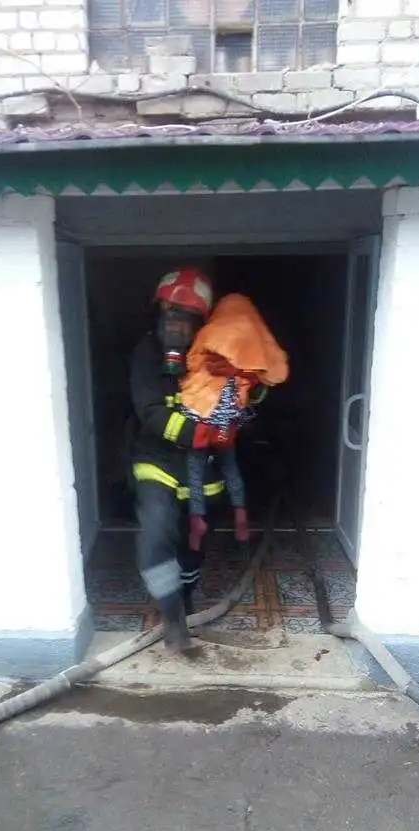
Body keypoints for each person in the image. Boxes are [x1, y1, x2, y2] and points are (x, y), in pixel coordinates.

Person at [129, 269, 268, 654]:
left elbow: (251, 399)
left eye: (184, 317)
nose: (173, 324)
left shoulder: (217, 352)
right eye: (168, 313)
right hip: (157, 461)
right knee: (156, 532)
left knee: (194, 542)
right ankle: (173, 618)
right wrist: (201, 433)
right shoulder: (146, 353)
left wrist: (243, 377)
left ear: (201, 324)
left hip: (204, 468)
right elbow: (150, 411)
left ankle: (185, 596)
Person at [179, 293, 289, 552]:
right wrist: (239, 371)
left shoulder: (209, 332)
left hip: (202, 416)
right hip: (227, 421)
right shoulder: (254, 338)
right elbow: (275, 373)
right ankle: (241, 517)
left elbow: (191, 361)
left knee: (194, 468)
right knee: (230, 466)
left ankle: (197, 519)